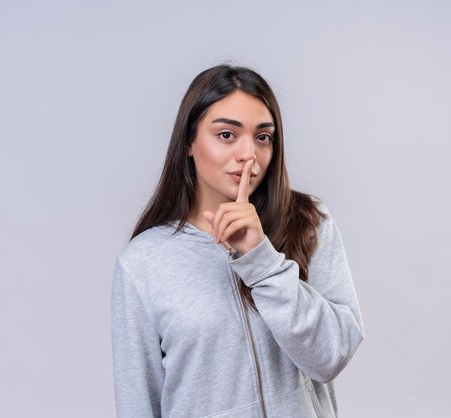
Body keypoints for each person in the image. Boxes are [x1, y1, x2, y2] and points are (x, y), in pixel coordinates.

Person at [111, 64, 364, 418]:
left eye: (263, 137)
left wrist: (262, 259)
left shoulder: (307, 221)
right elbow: (138, 404)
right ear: (188, 141)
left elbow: (330, 356)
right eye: (227, 135)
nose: (249, 155)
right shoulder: (143, 263)